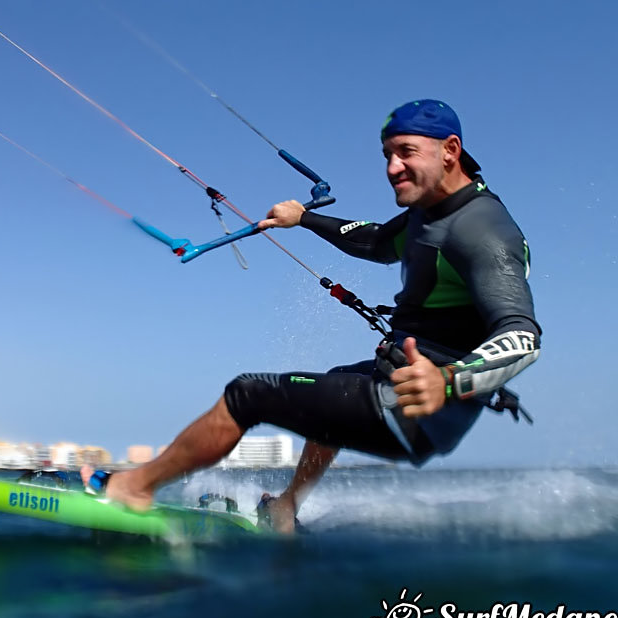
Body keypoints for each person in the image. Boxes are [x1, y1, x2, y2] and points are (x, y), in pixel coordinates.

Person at [82, 99, 541, 533]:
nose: (392, 168)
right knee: (336, 383)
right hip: (400, 389)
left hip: (416, 408)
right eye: (387, 154)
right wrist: (302, 218)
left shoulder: (482, 230)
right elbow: (378, 242)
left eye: (406, 153)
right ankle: (285, 509)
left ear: (450, 151)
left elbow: (522, 335)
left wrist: (448, 381)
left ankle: (133, 488)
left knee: (247, 394)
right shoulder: (430, 212)